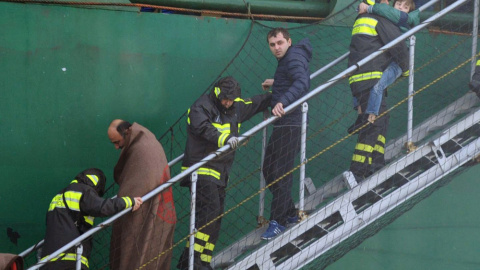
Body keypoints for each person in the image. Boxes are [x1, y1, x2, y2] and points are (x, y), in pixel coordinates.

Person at [176, 76, 271, 270]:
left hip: (220, 172)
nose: (228, 103)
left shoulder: (235, 106)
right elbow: (203, 127)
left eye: (232, 100)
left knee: (216, 216)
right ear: (218, 93)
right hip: (201, 169)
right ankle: (191, 261)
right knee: (209, 213)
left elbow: (255, 103)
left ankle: (202, 260)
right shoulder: (201, 106)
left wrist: (277, 91)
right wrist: (225, 139)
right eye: (226, 99)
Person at [347, 0, 409, 180]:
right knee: (372, 124)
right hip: (371, 79)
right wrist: (405, 69)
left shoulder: (362, 19)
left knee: (382, 118)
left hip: (361, 79)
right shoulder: (378, 19)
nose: (388, 3)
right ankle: (358, 171)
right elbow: (398, 45)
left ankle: (376, 162)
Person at [260, 27, 312, 240]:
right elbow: (294, 78)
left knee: (279, 172)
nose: (276, 48)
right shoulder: (290, 59)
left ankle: (278, 221)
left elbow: (302, 82)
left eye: (280, 43)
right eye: (272, 45)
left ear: (289, 42)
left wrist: (282, 100)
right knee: (269, 170)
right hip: (284, 123)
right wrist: (276, 83)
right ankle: (289, 211)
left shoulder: (293, 58)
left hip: (290, 123)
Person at [39, 168, 142, 270]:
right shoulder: (83, 190)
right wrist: (128, 202)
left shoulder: (58, 196)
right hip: (70, 260)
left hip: (47, 261)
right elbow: (101, 207)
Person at [108, 120, 176, 270]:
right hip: (161, 213)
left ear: (126, 132)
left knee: (135, 252)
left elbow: (138, 186)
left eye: (117, 142)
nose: (116, 147)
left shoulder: (142, 147)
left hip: (147, 212)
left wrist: (124, 202)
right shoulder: (145, 141)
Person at [352, 0, 418, 124]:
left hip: (399, 60)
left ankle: (371, 116)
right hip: (387, 57)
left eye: (405, 7)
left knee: (378, 84)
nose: (400, 8)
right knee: (357, 79)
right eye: (399, 4)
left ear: (409, 10)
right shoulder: (388, 17)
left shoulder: (407, 18)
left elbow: (398, 17)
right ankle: (360, 115)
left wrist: (368, 8)